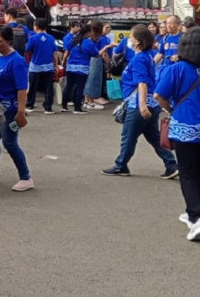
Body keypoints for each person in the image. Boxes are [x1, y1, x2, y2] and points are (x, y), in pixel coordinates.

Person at [102, 25, 178, 178]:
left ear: (137, 42)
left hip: (138, 103)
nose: (129, 40)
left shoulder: (139, 59)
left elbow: (141, 83)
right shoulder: (147, 56)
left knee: (128, 136)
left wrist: (142, 104)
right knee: (153, 137)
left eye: (131, 37)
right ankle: (171, 164)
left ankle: (121, 164)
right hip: (149, 102)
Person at [154, 27, 200, 241]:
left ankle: (196, 217)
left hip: (186, 127)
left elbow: (159, 95)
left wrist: (172, 110)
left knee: (189, 173)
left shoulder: (177, 68)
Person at [0, 26, 34, 191]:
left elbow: (22, 89)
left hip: (10, 108)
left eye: (0, 42)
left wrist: (21, 111)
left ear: (9, 41)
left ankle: (26, 177)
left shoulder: (16, 61)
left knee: (9, 142)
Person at [61, 24, 107, 114]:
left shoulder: (73, 40)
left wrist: (64, 62)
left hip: (70, 66)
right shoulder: (89, 43)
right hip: (82, 67)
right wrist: (106, 47)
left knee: (69, 86)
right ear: (89, 32)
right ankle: (77, 108)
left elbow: (66, 52)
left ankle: (64, 106)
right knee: (80, 87)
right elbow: (97, 54)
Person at [25, 18, 58, 114]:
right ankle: (48, 107)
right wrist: (55, 65)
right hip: (48, 66)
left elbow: (27, 50)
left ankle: (30, 105)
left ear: (36, 26)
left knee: (32, 86)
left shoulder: (33, 38)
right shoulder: (51, 38)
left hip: (35, 65)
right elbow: (55, 53)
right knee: (48, 87)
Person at [83, 20, 112, 109]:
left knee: (91, 79)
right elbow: (103, 52)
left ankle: (87, 100)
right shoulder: (99, 38)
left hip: (92, 58)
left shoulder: (90, 37)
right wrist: (108, 62)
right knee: (93, 80)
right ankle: (90, 101)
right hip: (96, 58)